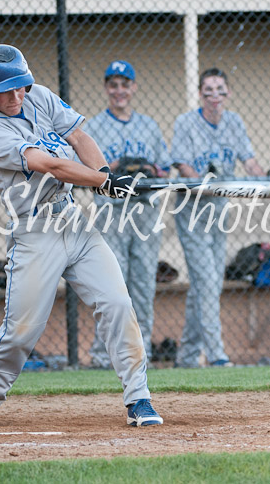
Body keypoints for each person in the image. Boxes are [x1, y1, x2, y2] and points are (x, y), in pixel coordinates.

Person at [0, 44, 162, 428]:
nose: (17, 96)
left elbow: (78, 137)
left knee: (117, 302)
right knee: (21, 331)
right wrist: (105, 181)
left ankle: (139, 398)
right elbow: (52, 165)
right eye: (6, 90)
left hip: (73, 222)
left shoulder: (38, 95)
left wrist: (104, 176)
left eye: (21, 87)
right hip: (35, 233)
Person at [170, 68, 266, 368]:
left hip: (218, 212)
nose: (214, 96)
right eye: (208, 90)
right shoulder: (186, 122)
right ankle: (216, 354)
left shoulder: (234, 122)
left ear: (228, 93)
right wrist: (203, 182)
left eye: (220, 89)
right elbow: (182, 164)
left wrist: (265, 179)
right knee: (208, 281)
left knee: (206, 285)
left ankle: (186, 357)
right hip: (191, 211)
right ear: (200, 93)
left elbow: (248, 160)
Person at [85, 60, 172, 368]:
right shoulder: (94, 126)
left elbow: (164, 168)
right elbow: (86, 169)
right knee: (111, 284)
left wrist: (147, 168)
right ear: (106, 88)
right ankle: (102, 354)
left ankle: (139, 351)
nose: (119, 90)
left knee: (144, 282)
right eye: (113, 84)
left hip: (145, 211)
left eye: (125, 84)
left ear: (133, 88)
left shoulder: (148, 125)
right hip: (111, 212)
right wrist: (118, 164)